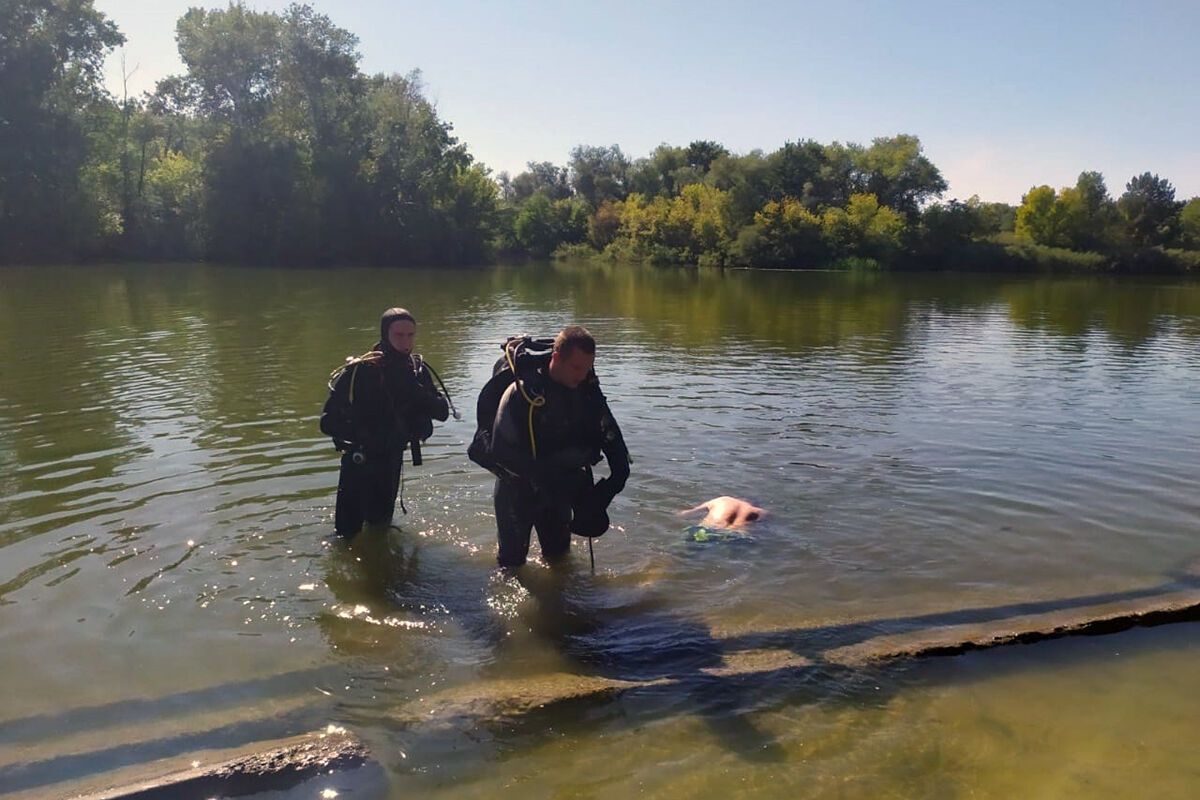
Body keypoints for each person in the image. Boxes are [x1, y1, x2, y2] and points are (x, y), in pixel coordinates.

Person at [485, 325, 630, 568]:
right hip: (517, 489)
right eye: (576, 367)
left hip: (559, 492)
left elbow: (615, 447)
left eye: (587, 368)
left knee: (560, 559)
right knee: (511, 564)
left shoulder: (588, 394)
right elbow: (499, 451)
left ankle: (562, 604)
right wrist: (549, 472)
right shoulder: (523, 393)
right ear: (556, 358)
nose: (582, 375)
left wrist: (601, 496)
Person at [320, 308, 449, 538]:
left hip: (391, 460)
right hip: (359, 461)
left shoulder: (417, 371)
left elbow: (442, 412)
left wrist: (415, 392)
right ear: (384, 334)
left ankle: (385, 568)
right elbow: (327, 422)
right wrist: (367, 436)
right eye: (399, 335)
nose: (405, 341)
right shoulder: (360, 371)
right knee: (346, 535)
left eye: (410, 335)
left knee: (380, 529)